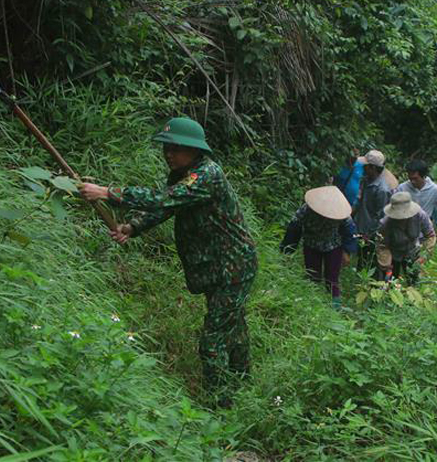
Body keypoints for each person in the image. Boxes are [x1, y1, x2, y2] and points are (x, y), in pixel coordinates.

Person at [79, 117, 257, 407]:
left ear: (195, 149)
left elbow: (164, 199)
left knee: (213, 340)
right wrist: (133, 227)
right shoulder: (184, 174)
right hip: (218, 266)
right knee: (232, 326)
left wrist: (106, 193)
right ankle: (242, 385)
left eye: (176, 148)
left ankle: (221, 407)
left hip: (234, 266)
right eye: (166, 148)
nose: (168, 154)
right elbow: (168, 207)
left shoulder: (206, 175)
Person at [281, 186, 357, 310]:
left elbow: (350, 231)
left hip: (333, 246)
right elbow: (294, 227)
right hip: (312, 245)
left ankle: (335, 308)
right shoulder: (306, 209)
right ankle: (312, 305)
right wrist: (288, 250)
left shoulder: (341, 213)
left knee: (332, 279)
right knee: (312, 276)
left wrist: (347, 252)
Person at [376, 191, 436, 284]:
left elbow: (430, 235)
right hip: (394, 254)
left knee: (414, 282)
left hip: (413, 252)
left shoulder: (420, 216)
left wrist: (423, 256)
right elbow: (383, 245)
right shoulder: (386, 223)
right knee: (390, 283)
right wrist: (386, 264)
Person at [353, 150, 392, 271]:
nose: (363, 168)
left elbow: (380, 216)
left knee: (372, 263)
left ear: (373, 168)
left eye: (366, 166)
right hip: (361, 227)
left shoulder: (382, 190)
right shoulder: (365, 180)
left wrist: (369, 233)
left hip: (371, 233)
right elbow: (359, 202)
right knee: (361, 260)